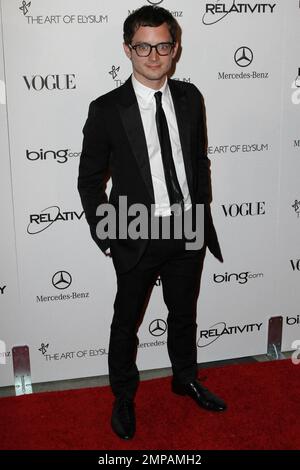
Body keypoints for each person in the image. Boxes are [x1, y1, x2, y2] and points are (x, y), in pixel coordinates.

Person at [78, 5, 227, 441]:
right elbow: (89, 181)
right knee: (126, 320)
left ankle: (185, 378)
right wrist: (108, 234)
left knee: (184, 314)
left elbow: (198, 160)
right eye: (143, 46)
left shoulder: (189, 97)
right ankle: (123, 395)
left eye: (163, 45)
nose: (154, 55)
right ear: (127, 48)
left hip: (186, 227)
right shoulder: (107, 109)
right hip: (136, 231)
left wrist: (200, 212)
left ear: (175, 47)